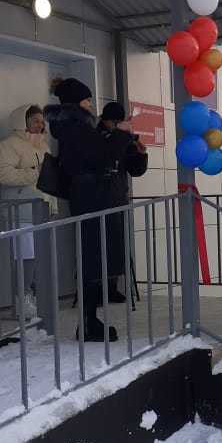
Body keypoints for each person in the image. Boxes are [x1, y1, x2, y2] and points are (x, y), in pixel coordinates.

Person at [44, 78, 137, 342]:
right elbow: (103, 157)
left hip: (88, 198)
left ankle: (90, 320)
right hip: (93, 199)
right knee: (93, 261)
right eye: (87, 100)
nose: (91, 105)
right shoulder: (77, 127)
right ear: (76, 103)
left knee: (94, 260)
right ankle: (88, 323)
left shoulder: (72, 127)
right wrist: (121, 133)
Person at [0, 104, 58, 315]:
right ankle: (22, 300)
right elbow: (3, 175)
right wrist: (34, 172)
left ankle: (37, 298)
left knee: (40, 258)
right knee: (25, 258)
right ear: (23, 123)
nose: (40, 125)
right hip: (21, 212)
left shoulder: (44, 147)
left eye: (42, 121)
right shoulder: (8, 145)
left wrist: (53, 206)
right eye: (35, 121)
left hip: (42, 210)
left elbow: (50, 181)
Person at [96, 101, 149, 304]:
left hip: (117, 197)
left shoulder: (122, 138)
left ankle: (111, 287)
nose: (116, 125)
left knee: (116, 245)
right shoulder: (99, 138)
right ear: (105, 120)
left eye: (119, 121)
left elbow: (134, 170)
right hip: (99, 198)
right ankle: (98, 289)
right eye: (113, 122)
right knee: (99, 246)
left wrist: (141, 154)